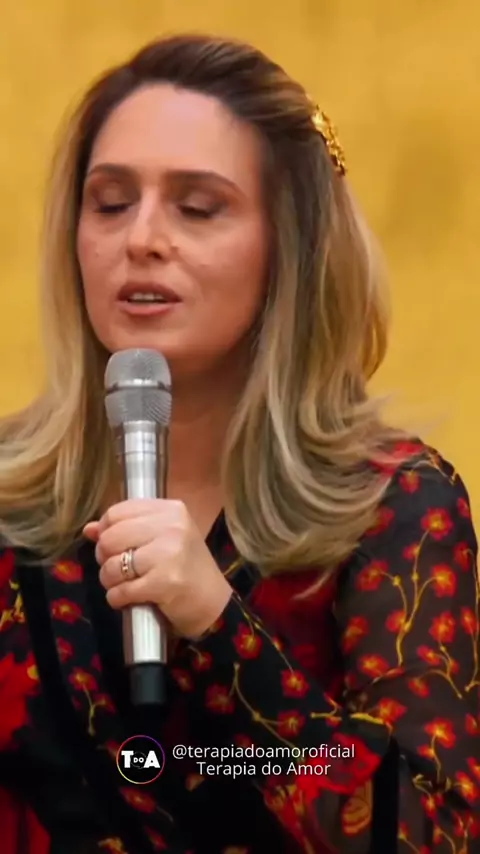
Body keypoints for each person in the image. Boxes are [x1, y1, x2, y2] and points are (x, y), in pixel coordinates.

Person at [0, 31, 478, 854]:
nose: (141, 239)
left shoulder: (391, 503)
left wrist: (218, 624)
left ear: (289, 248)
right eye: (110, 203)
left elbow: (433, 835)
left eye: (197, 207)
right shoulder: (10, 495)